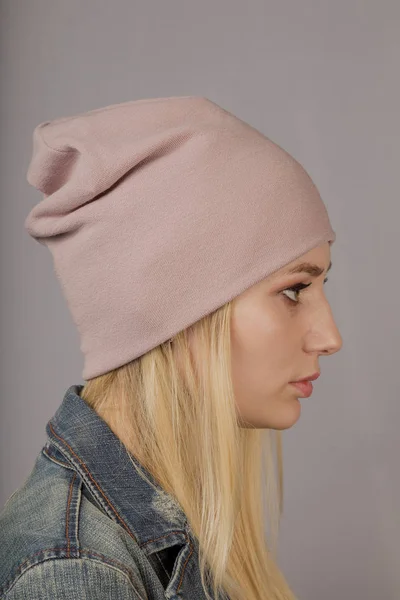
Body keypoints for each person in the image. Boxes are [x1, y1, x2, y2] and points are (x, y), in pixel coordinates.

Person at [0, 96, 342, 600]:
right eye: (294, 290)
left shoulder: (167, 520)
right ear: (178, 313)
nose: (329, 337)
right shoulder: (77, 573)